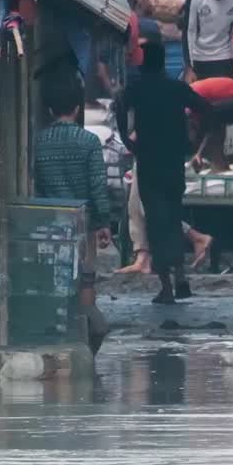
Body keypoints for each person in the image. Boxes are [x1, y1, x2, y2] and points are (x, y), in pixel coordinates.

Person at [117, 43, 212, 304]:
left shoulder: (136, 89)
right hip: (173, 163)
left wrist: (128, 140)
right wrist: (196, 140)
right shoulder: (177, 88)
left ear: (143, 63)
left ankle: (167, 288)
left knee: (157, 223)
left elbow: (119, 107)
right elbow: (206, 108)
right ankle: (181, 277)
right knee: (172, 216)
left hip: (148, 161)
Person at [32, 80, 112, 352]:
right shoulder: (89, 142)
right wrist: (103, 223)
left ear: (50, 109)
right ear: (77, 109)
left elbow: (37, 185)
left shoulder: (38, 142)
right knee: (85, 277)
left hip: (50, 224)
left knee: (55, 279)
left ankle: (58, 336)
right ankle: (83, 343)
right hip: (83, 224)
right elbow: (97, 186)